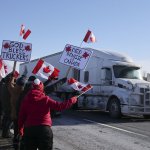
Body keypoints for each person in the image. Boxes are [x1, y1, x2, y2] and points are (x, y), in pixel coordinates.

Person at [18, 78, 78, 150]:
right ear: (41, 88)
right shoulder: (45, 99)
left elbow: (21, 116)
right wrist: (72, 100)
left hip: (30, 129)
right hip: (44, 129)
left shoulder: (26, 99)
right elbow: (59, 106)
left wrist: (20, 129)